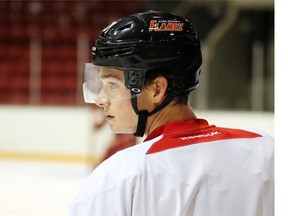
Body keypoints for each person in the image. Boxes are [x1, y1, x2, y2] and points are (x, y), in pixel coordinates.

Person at [70, 11, 274, 215]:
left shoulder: (120, 176)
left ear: (156, 89)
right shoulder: (266, 149)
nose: (100, 99)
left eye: (113, 85)